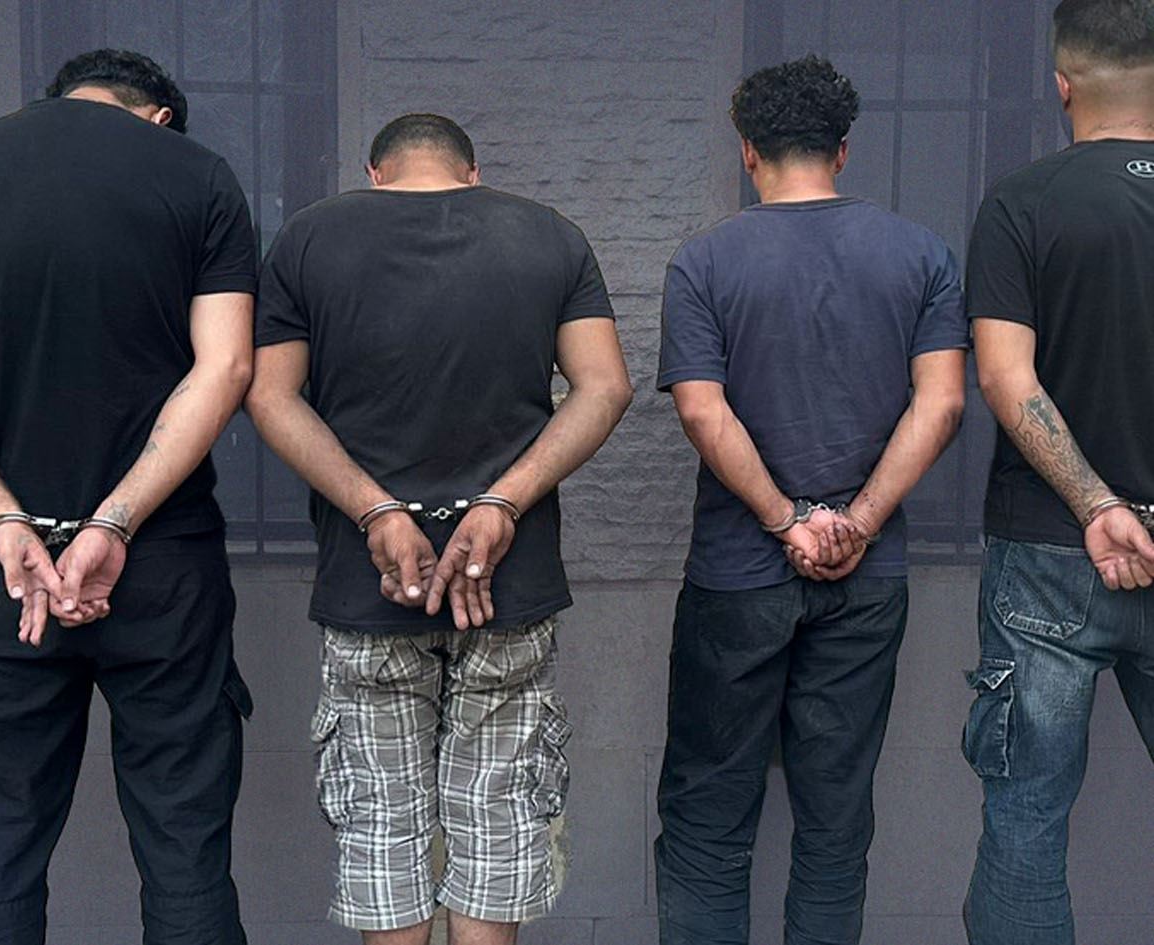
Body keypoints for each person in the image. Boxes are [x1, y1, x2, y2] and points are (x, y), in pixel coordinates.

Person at [0, 49, 256, 945]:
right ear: (158, 116)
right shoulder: (196, 175)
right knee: (185, 853)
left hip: (4, 569)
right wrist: (114, 520)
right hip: (161, 563)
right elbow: (227, 366)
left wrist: (4, 517)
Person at [245, 113, 632, 945]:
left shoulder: (309, 238)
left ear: (375, 173)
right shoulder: (550, 236)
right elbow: (605, 387)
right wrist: (502, 502)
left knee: (384, 825)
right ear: (472, 171)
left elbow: (270, 395)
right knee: (496, 818)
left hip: (368, 581)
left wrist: (376, 509)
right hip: (507, 582)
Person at [653, 55, 969, 945]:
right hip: (867, 576)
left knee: (709, 813)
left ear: (747, 150)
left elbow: (701, 409)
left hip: (737, 573)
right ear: (844, 148)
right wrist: (857, 521)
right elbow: (943, 403)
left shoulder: (704, 261)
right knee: (835, 816)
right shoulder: (922, 254)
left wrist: (784, 519)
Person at [961, 2, 1154, 942]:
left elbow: (1006, 378)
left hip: (1050, 550)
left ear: (1063, 86)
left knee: (1026, 820)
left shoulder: (1022, 202)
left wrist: (1098, 503)